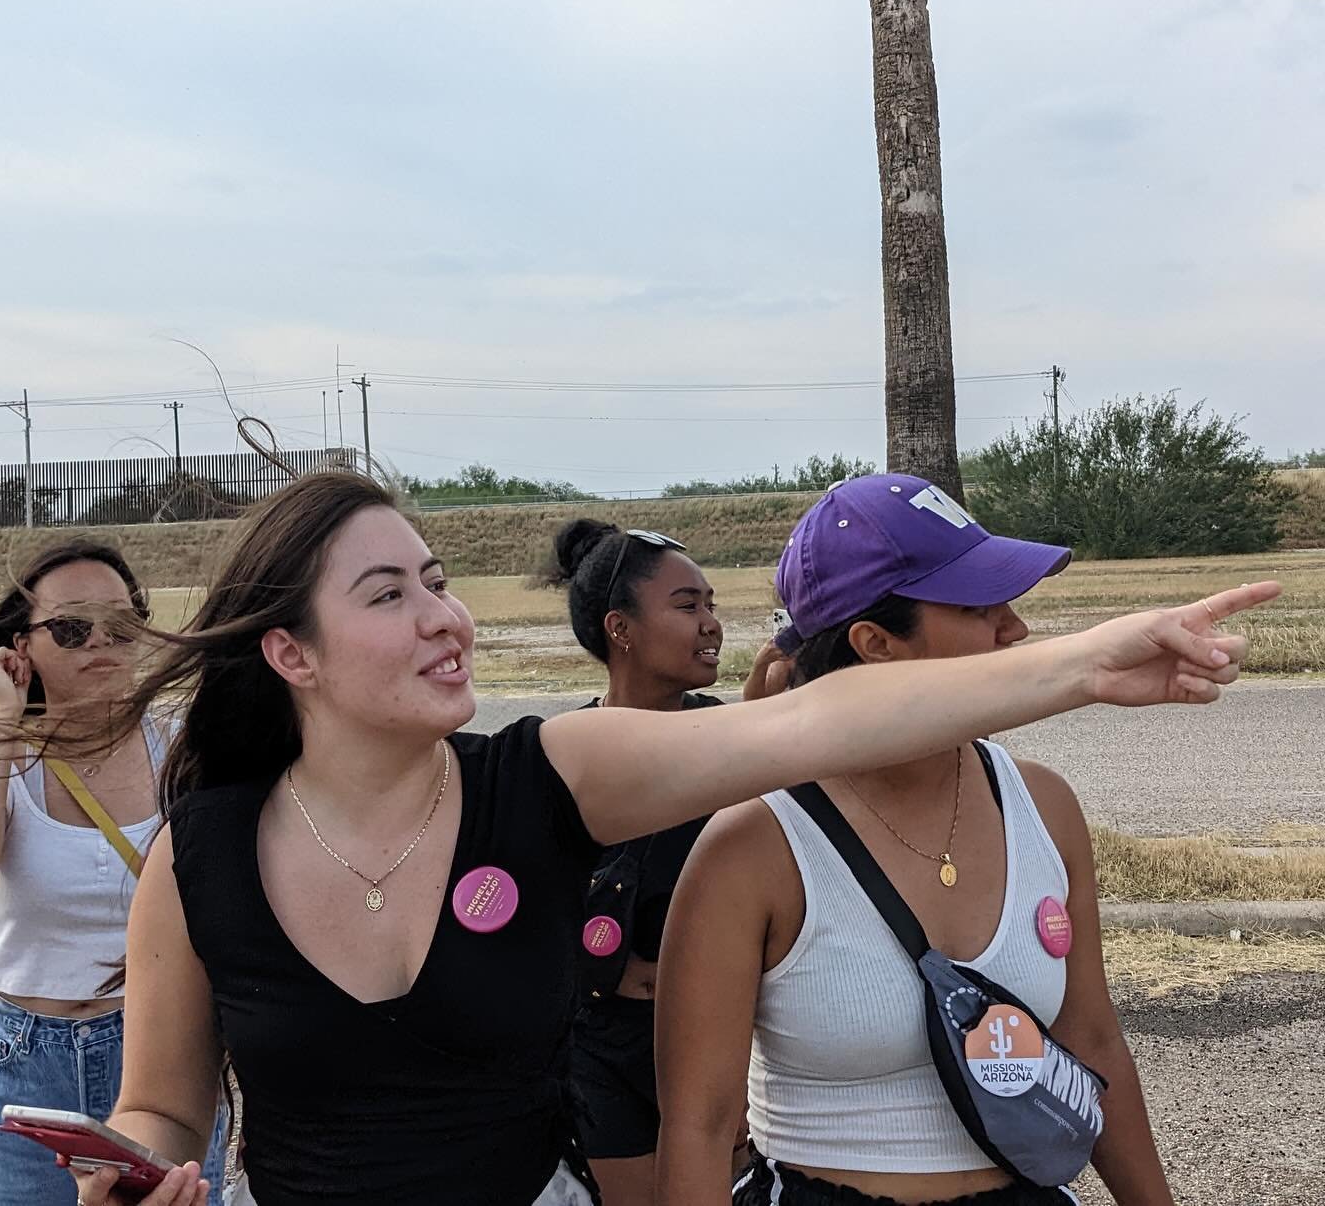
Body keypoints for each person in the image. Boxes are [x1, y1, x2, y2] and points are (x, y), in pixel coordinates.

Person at [66, 470, 1271, 1206]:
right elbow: (162, 1108)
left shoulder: (545, 779)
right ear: (291, 653)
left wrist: (1084, 663)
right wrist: (130, 1164)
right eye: (389, 596)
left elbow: (820, 716)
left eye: (438, 579)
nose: (448, 617)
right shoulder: (201, 854)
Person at [654, 475, 1183, 1206]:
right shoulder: (752, 850)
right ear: (876, 644)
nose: (1015, 630)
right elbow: (701, 1130)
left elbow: (1093, 1046)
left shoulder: (1044, 807)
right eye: (978, 607)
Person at [0, 541, 224, 1206]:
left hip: (166, 1050)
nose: (102, 642)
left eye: (124, 623)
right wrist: (1, 721)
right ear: (21, 649)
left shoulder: (187, 750)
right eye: (73, 627)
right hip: (31, 1063)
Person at [546, 520, 727, 1205]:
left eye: (712, 605)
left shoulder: (737, 744)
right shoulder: (558, 758)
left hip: (719, 1044)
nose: (710, 625)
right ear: (620, 629)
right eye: (688, 607)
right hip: (600, 1052)